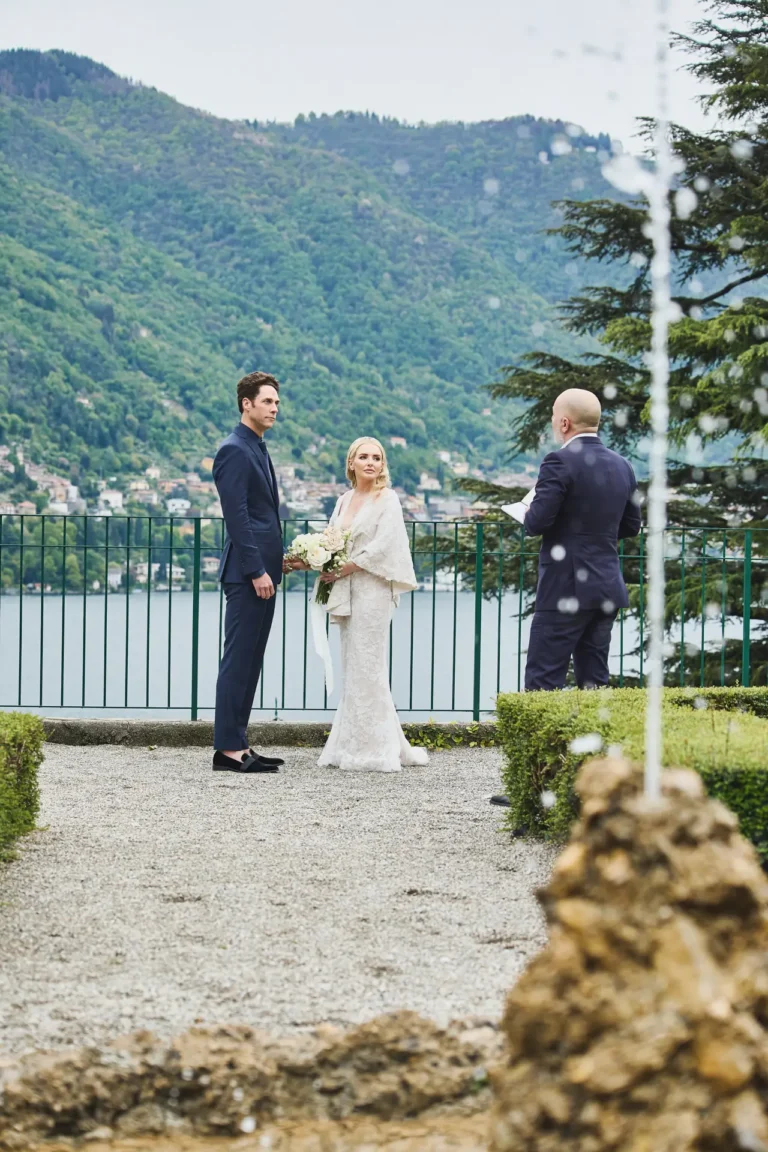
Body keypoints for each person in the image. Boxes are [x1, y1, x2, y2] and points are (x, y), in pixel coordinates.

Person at [491, 388, 641, 808]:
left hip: (564, 592)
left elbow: (537, 522)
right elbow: (631, 526)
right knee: (595, 683)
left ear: (563, 423)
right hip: (607, 588)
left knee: (543, 683)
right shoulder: (623, 466)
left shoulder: (559, 461)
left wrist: (532, 509)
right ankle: (597, 786)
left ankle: (536, 790)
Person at [314, 437, 429, 773]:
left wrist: (349, 565)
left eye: (376, 458)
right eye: (363, 457)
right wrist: (317, 558)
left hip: (373, 589)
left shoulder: (388, 499)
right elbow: (331, 539)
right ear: (351, 463)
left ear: (382, 465)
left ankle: (376, 749)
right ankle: (351, 742)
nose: (370, 462)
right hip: (345, 589)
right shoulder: (344, 499)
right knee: (353, 665)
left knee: (369, 664)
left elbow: (385, 545)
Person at [211, 371, 290, 774]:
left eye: (277, 402)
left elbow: (263, 517)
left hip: (265, 573)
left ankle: (239, 744)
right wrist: (258, 569)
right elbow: (237, 518)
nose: (275, 408)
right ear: (247, 403)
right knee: (237, 661)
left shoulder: (256, 447)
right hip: (248, 576)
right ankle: (226, 750)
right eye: (267, 401)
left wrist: (279, 563)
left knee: (251, 660)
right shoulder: (234, 450)